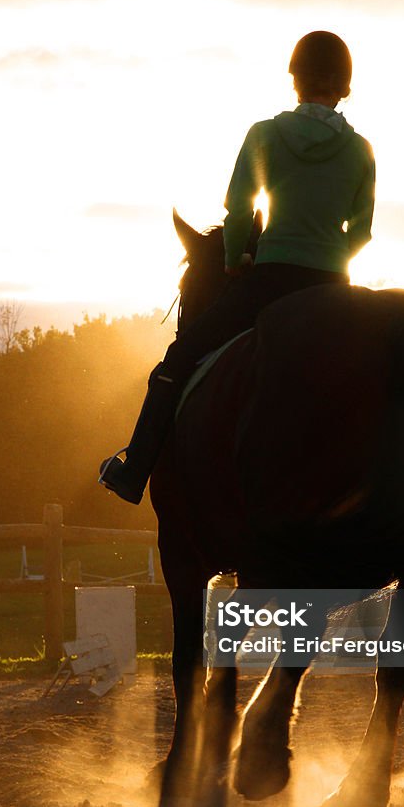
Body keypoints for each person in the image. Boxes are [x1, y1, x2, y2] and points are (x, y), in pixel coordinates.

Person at [99, 30, 375, 504]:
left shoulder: (264, 134)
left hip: (269, 280)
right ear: (345, 87)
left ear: (295, 80)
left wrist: (234, 262)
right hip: (334, 287)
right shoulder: (360, 150)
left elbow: (239, 211)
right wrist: (332, 267)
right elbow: (362, 232)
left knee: (178, 360)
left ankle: (133, 472)